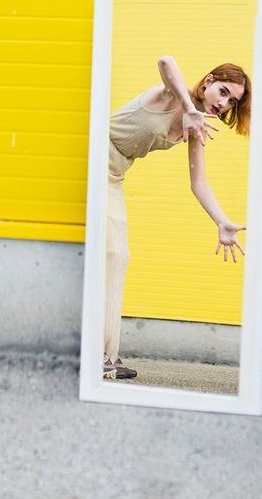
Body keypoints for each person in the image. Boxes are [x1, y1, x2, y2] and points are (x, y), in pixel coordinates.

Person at [104, 55, 251, 381]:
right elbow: (165, 61)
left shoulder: (197, 128)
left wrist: (222, 222)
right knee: (111, 254)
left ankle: (107, 354)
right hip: (93, 156)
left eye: (232, 102)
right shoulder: (172, 94)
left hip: (113, 175)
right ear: (208, 81)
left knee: (118, 257)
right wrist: (187, 107)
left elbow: (199, 183)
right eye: (223, 92)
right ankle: (98, 353)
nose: (224, 104)